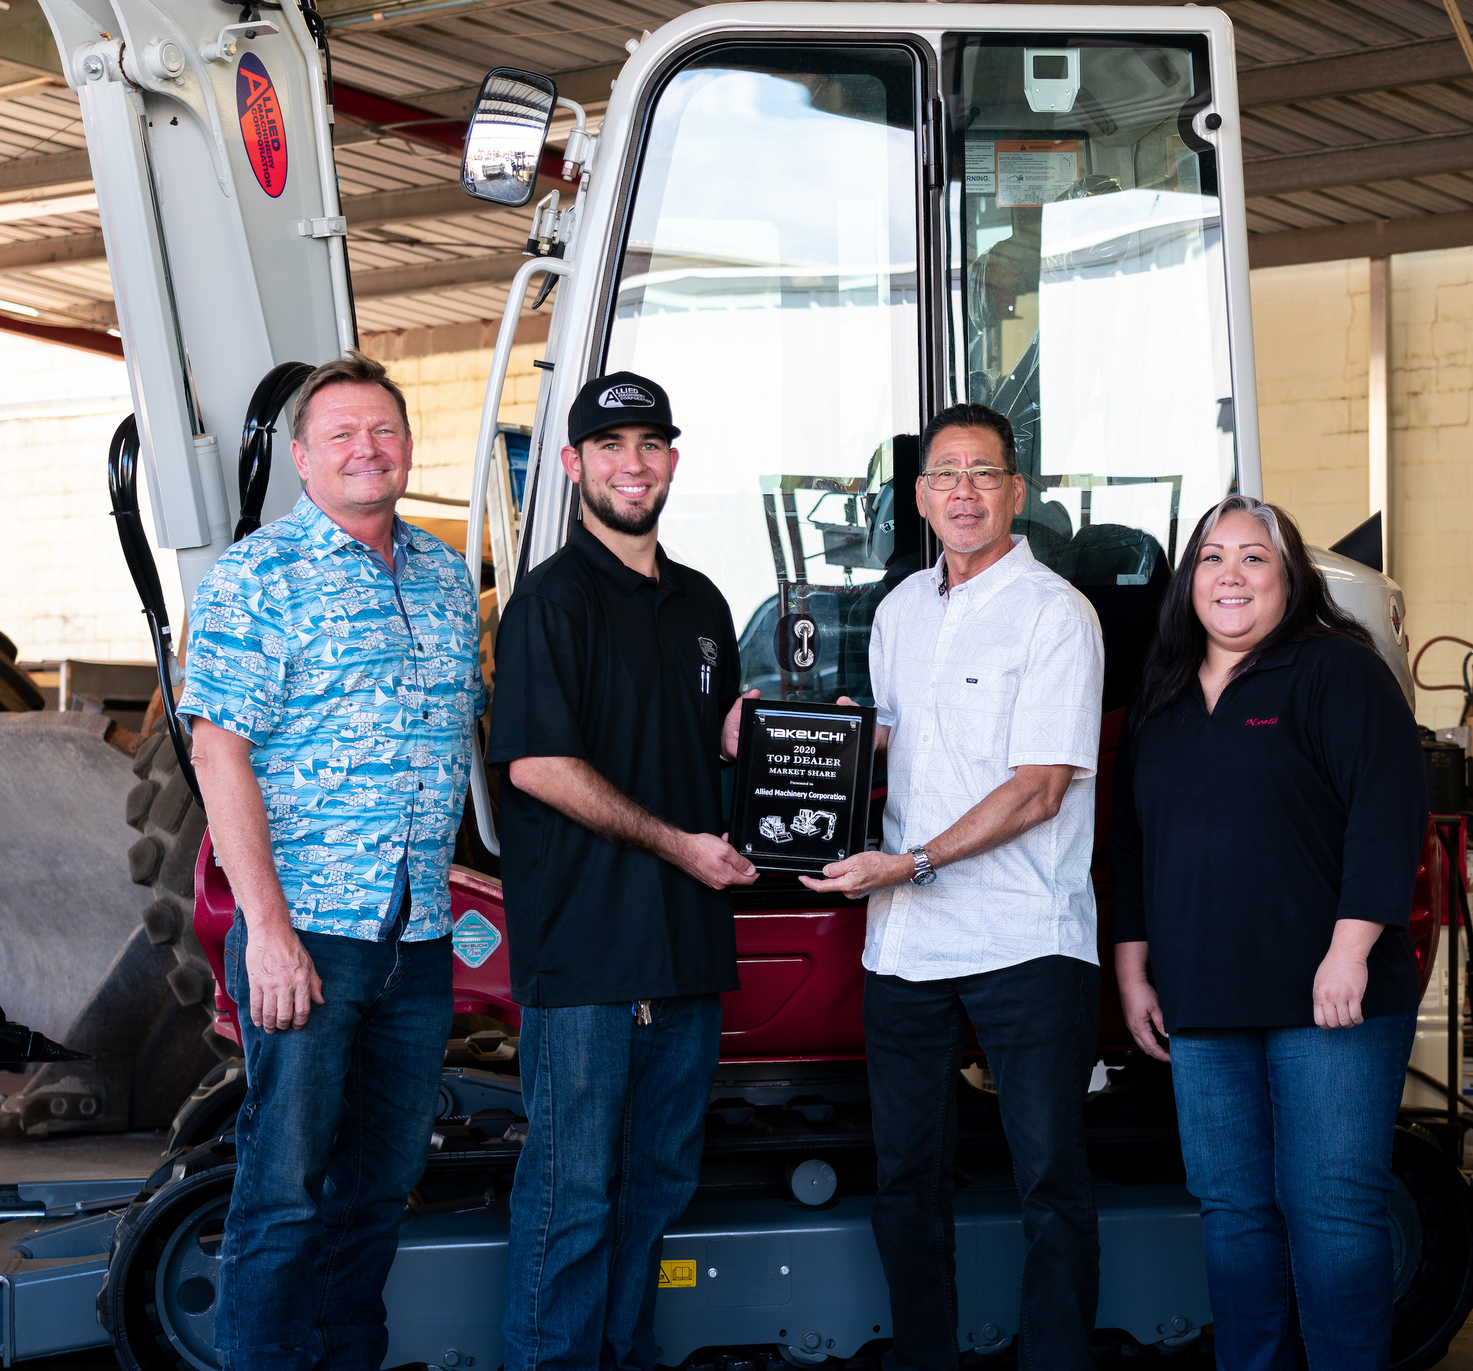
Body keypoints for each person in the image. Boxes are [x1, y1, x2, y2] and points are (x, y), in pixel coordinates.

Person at [178, 351, 486, 1371]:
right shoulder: (261, 577)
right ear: (304, 460)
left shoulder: (446, 575)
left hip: (419, 939)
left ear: (408, 446)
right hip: (309, 934)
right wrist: (266, 933)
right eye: (342, 435)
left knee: (377, 1191)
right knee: (283, 1192)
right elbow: (218, 749)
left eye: (384, 431)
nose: (368, 448)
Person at [800, 402, 1106, 1371]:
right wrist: (825, 741)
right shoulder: (897, 612)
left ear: (1016, 491)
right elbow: (905, 738)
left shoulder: (1057, 614)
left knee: (1050, 1182)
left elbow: (1038, 788)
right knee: (906, 1178)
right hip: (907, 944)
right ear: (920, 497)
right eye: (944, 476)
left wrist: (915, 861)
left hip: (1027, 938)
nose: (963, 492)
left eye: (983, 473)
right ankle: (926, 1357)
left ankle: (1054, 1360)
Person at [1109, 494, 1428, 1371]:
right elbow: (1133, 839)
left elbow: (1385, 812)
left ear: (1290, 580)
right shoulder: (1164, 696)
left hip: (1328, 997)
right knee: (1233, 1211)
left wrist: (1350, 948)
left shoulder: (1337, 671)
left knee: (1331, 1208)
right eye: (1212, 557)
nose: (1231, 575)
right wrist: (1134, 970)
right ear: (1188, 581)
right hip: (1204, 995)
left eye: (1255, 558)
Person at [488, 372, 759, 1371]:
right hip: (590, 963)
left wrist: (748, 742)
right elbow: (540, 766)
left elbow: (708, 746)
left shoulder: (701, 604)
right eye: (610, 447)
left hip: (685, 953)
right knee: (572, 1202)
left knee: (653, 1196)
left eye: (649, 445)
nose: (632, 464)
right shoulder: (549, 605)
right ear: (573, 466)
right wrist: (677, 844)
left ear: (672, 462)